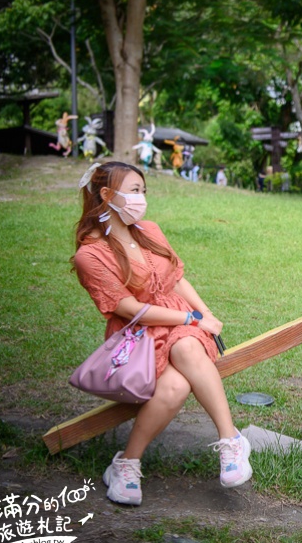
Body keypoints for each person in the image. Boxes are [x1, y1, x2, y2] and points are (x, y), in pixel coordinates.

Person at [71, 161, 251, 506]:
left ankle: (230, 441)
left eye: (143, 191)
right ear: (107, 195)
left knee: (186, 347)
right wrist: (192, 318)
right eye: (134, 191)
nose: (141, 199)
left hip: (182, 327)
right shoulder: (90, 255)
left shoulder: (149, 230)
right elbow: (128, 309)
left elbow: (177, 278)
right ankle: (127, 463)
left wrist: (206, 314)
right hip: (142, 334)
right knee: (175, 384)